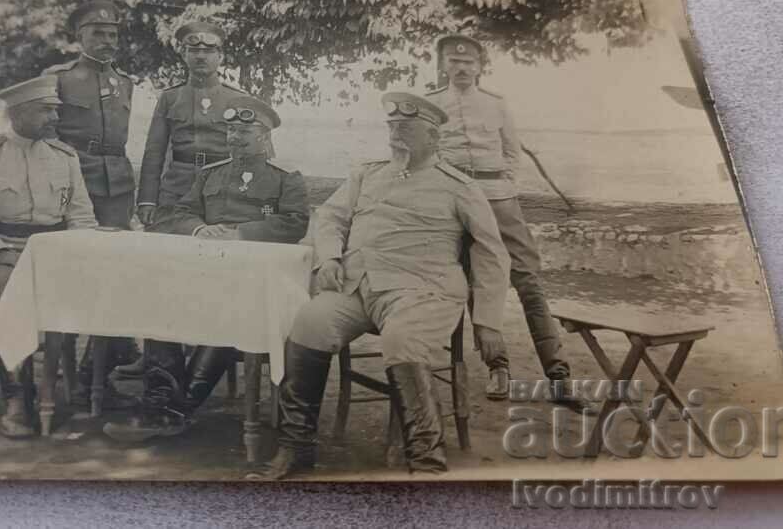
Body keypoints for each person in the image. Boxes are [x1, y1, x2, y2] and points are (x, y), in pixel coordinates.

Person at [248, 93, 510, 480]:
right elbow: (331, 218)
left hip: (424, 292)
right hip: (359, 287)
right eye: (392, 128)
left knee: (400, 340)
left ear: (434, 137)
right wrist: (331, 258)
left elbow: (492, 253)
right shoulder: (367, 174)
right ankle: (296, 449)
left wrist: (488, 321)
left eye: (406, 128)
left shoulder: (459, 187)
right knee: (308, 322)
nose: (396, 135)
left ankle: (426, 463)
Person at [104, 95, 310, 442]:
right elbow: (180, 213)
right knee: (159, 301)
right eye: (230, 132)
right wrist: (200, 228)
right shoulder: (209, 174)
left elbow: (295, 223)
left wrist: (240, 233)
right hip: (203, 269)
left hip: (254, 278)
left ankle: (173, 410)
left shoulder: (285, 178)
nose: (234, 138)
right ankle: (162, 400)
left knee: (234, 309)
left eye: (243, 132)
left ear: (265, 136)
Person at [427, 34, 585, 411]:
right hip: (455, 202)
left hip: (498, 200)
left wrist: (503, 185)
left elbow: (512, 152)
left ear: (480, 67)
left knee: (528, 280)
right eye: (453, 61)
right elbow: (430, 156)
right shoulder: (432, 105)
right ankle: (497, 367)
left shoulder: (496, 105)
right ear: (443, 66)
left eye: (469, 62)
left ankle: (559, 375)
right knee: (473, 284)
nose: (461, 67)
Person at [0, 75, 98, 438]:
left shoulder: (64, 157)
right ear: (18, 112)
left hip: (52, 251)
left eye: (55, 110)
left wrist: (80, 250)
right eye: (46, 111)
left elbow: (80, 216)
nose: (55, 119)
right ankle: (17, 394)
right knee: (10, 284)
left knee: (100, 277)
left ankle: (81, 385)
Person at [41, 0, 141, 397]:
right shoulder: (60, 77)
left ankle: (97, 362)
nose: (107, 40)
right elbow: (47, 134)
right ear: (78, 35)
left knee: (115, 268)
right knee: (75, 269)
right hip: (72, 181)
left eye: (113, 33)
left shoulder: (126, 82)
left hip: (117, 184)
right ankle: (78, 362)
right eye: (98, 33)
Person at [136, 21, 249, 228]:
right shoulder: (170, 97)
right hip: (177, 189)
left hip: (221, 189)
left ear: (220, 56)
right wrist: (147, 199)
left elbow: (249, 152)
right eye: (194, 50)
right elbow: (154, 152)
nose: (200, 56)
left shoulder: (237, 99)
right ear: (184, 55)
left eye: (208, 51)